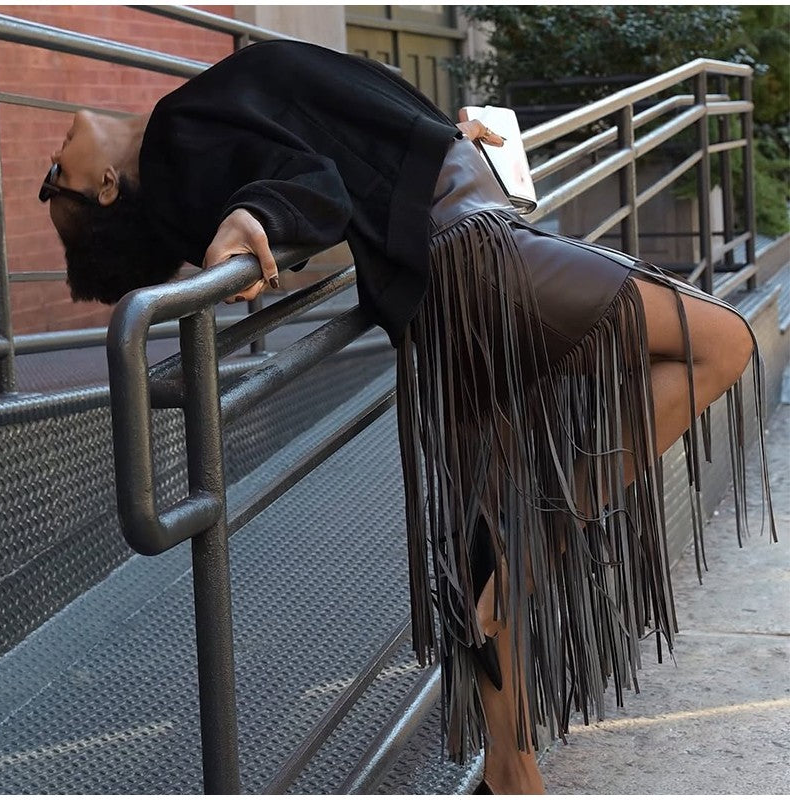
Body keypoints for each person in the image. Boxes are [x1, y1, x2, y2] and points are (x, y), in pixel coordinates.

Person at [41, 40, 774, 794]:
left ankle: (509, 766)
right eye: (57, 175)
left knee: (486, 531)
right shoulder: (176, 140)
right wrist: (251, 216)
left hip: (448, 275)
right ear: (105, 187)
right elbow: (307, 185)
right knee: (722, 343)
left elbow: (327, 143)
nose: (54, 150)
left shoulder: (186, 126)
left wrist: (431, 131)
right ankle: (539, 550)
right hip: (471, 256)